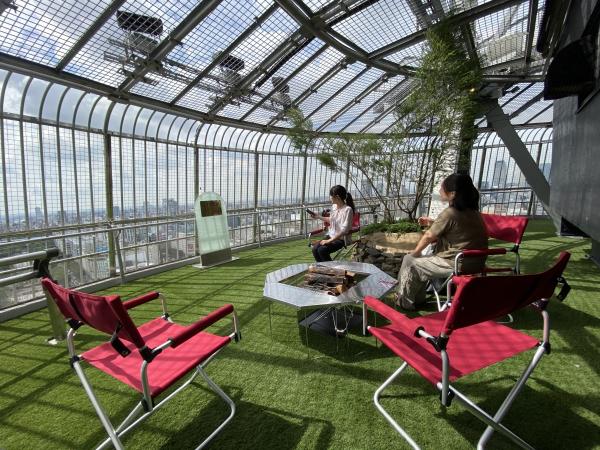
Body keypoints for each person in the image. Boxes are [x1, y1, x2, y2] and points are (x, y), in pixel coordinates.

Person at [396, 173, 488, 310]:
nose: (439, 191)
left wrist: (415, 253)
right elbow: (458, 229)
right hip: (477, 263)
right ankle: (417, 299)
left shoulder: (450, 213)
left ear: (452, 194)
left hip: (456, 263)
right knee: (420, 262)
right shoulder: (474, 213)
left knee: (410, 261)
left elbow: (428, 236)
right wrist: (432, 222)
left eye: (442, 188)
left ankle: (405, 302)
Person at [309, 185, 355, 262]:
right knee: (315, 249)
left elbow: (344, 230)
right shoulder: (334, 207)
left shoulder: (348, 210)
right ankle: (322, 269)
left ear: (337, 197)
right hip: (331, 236)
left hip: (341, 239)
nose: (330, 198)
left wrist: (329, 241)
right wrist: (318, 217)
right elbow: (332, 220)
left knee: (322, 250)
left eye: (331, 196)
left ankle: (331, 270)